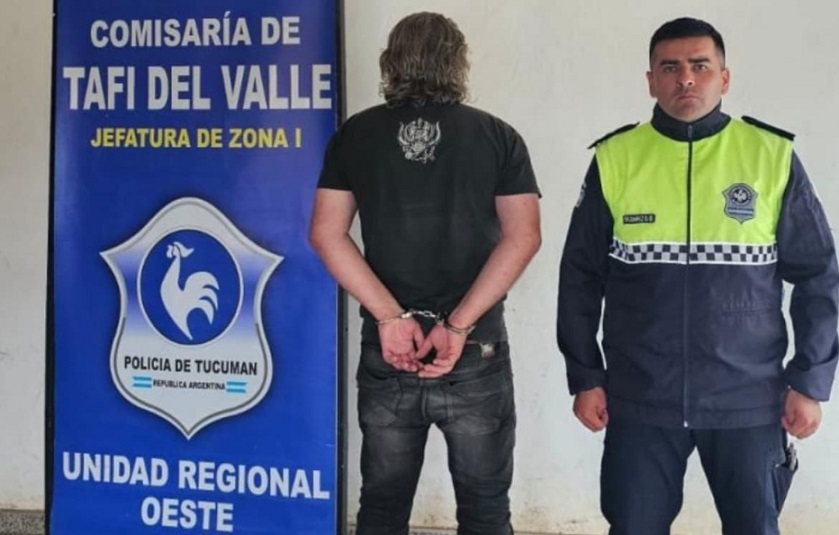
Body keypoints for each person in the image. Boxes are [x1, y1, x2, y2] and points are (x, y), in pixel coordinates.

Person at [557, 16, 838, 535]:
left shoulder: (770, 156)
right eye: (670, 67)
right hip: (641, 397)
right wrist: (586, 376)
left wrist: (810, 380)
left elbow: (819, 277)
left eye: (700, 66)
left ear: (724, 77)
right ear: (650, 81)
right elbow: (579, 277)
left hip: (748, 398)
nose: (685, 78)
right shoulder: (616, 159)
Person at [309, 12, 541, 535]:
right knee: (485, 509)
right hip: (474, 346)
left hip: (390, 346)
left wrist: (390, 318)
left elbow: (326, 233)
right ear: (457, 62)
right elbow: (524, 236)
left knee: (382, 507)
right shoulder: (497, 136)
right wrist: (457, 326)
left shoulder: (356, 135)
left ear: (391, 62)